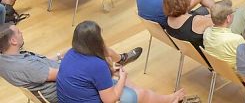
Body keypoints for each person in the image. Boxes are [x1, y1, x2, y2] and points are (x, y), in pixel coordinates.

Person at [57, 21, 185, 103]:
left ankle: (158, 99)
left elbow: (85, 77)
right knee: (140, 92)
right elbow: (110, 99)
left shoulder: (70, 53)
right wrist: (122, 77)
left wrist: (112, 73)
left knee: (131, 85)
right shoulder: (97, 64)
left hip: (70, 98)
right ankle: (169, 99)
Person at [203, 0, 245, 68]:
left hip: (221, 70)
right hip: (240, 75)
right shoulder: (236, 39)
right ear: (228, 18)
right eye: (232, 13)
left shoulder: (206, 33)